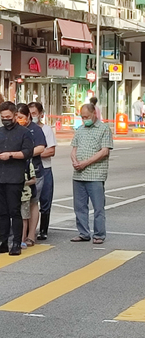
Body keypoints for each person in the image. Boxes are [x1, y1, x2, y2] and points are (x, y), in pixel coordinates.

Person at [0, 102, 34, 256]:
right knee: (2, 212)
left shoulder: (24, 132)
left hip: (14, 176)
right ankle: (3, 241)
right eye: (3, 117)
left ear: (14, 115)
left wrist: (11, 155)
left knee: (14, 211)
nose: (5, 119)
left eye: (8, 117)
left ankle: (17, 243)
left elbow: (28, 152)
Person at [70, 103, 113, 244]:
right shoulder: (80, 129)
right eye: (82, 117)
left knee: (98, 207)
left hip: (95, 174)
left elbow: (104, 151)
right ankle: (83, 233)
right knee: (79, 206)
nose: (84, 119)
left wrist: (85, 163)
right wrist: (75, 160)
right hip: (79, 174)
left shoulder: (104, 128)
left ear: (94, 113)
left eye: (87, 116)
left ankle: (99, 234)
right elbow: (74, 148)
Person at [16, 104, 46, 247]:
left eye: (21, 117)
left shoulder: (36, 130)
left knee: (33, 202)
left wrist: (24, 153)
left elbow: (41, 147)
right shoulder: (15, 129)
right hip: (17, 171)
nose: (18, 119)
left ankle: (31, 234)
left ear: (28, 116)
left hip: (35, 171)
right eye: (16, 117)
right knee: (21, 204)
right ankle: (19, 234)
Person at [28, 102, 57, 240]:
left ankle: (44, 229)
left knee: (45, 200)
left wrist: (34, 153)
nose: (32, 116)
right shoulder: (24, 129)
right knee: (29, 200)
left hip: (44, 169)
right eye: (30, 113)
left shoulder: (46, 130)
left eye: (34, 113)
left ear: (41, 114)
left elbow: (51, 150)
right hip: (28, 169)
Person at [20, 159, 36, 249]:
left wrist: (24, 183)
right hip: (14, 194)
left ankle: (22, 239)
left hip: (25, 196)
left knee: (24, 217)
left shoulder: (28, 165)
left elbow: (34, 180)